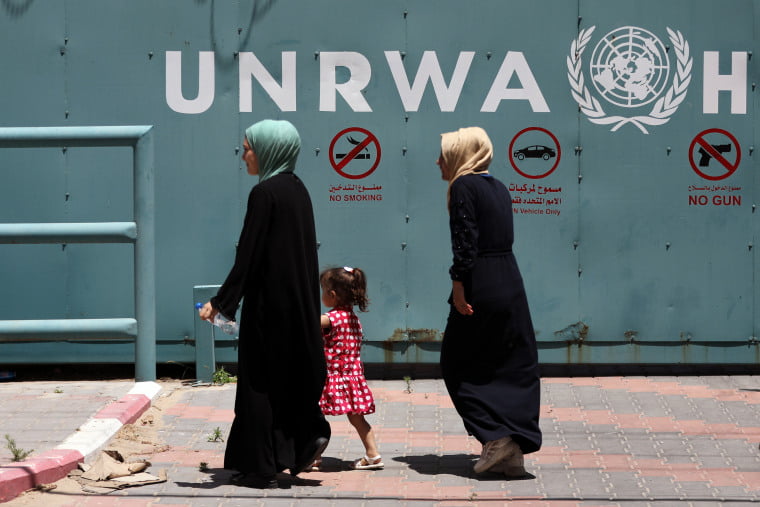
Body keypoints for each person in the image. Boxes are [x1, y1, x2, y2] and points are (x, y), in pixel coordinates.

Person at [198, 119, 330, 489]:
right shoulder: (298, 190)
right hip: (298, 306)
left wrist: (221, 303)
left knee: (258, 386)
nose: (243, 155)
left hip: (268, 310)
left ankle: (261, 466)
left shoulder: (264, 193)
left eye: (248, 148)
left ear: (268, 150)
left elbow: (249, 256)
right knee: (286, 381)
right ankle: (295, 446)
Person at [436, 126, 542, 478]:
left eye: (444, 154)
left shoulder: (463, 186)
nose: (438, 161)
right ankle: (511, 446)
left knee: (456, 361)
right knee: (508, 361)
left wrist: (459, 287)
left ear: (460, 155)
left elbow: (464, 243)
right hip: (508, 277)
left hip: (480, 280)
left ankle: (495, 437)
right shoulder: (498, 186)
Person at [308, 266, 383, 471]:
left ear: (332, 295)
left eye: (323, 291)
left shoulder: (331, 318)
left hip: (331, 377)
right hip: (352, 377)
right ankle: (373, 454)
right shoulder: (354, 319)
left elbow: (308, 322)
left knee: (314, 416)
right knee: (358, 419)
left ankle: (312, 457)